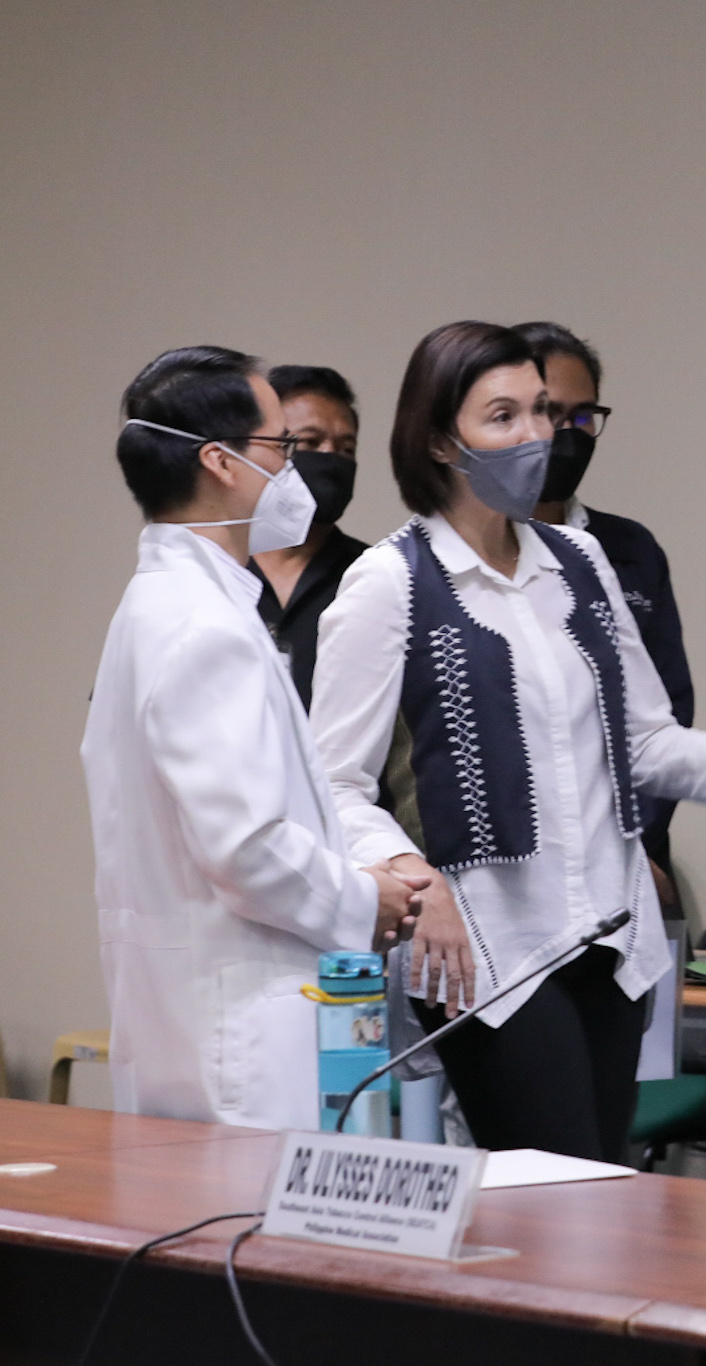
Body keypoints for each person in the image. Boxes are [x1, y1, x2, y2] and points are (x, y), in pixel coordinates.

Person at [312, 321, 706, 1162]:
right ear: (441, 439)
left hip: (609, 937)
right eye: (501, 416)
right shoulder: (389, 581)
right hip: (486, 950)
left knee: (602, 1188)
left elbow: (644, 742)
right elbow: (333, 783)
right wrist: (411, 879)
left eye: (542, 411)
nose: (537, 435)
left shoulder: (580, 561)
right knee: (556, 1201)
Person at [84, 346, 423, 1128]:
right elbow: (247, 849)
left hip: (203, 1011)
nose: (297, 473)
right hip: (242, 1032)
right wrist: (365, 899)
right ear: (220, 462)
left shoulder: (169, 605)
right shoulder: (202, 625)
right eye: (283, 449)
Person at [514, 321, 695, 913]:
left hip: (627, 861)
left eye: (583, 417)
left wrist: (636, 847)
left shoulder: (628, 550)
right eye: (550, 412)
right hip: (502, 865)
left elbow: (664, 712)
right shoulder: (438, 559)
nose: (566, 435)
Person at [249, 365, 369, 708]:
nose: (331, 457)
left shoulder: (372, 576)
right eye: (310, 443)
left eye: (347, 449)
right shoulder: (210, 573)